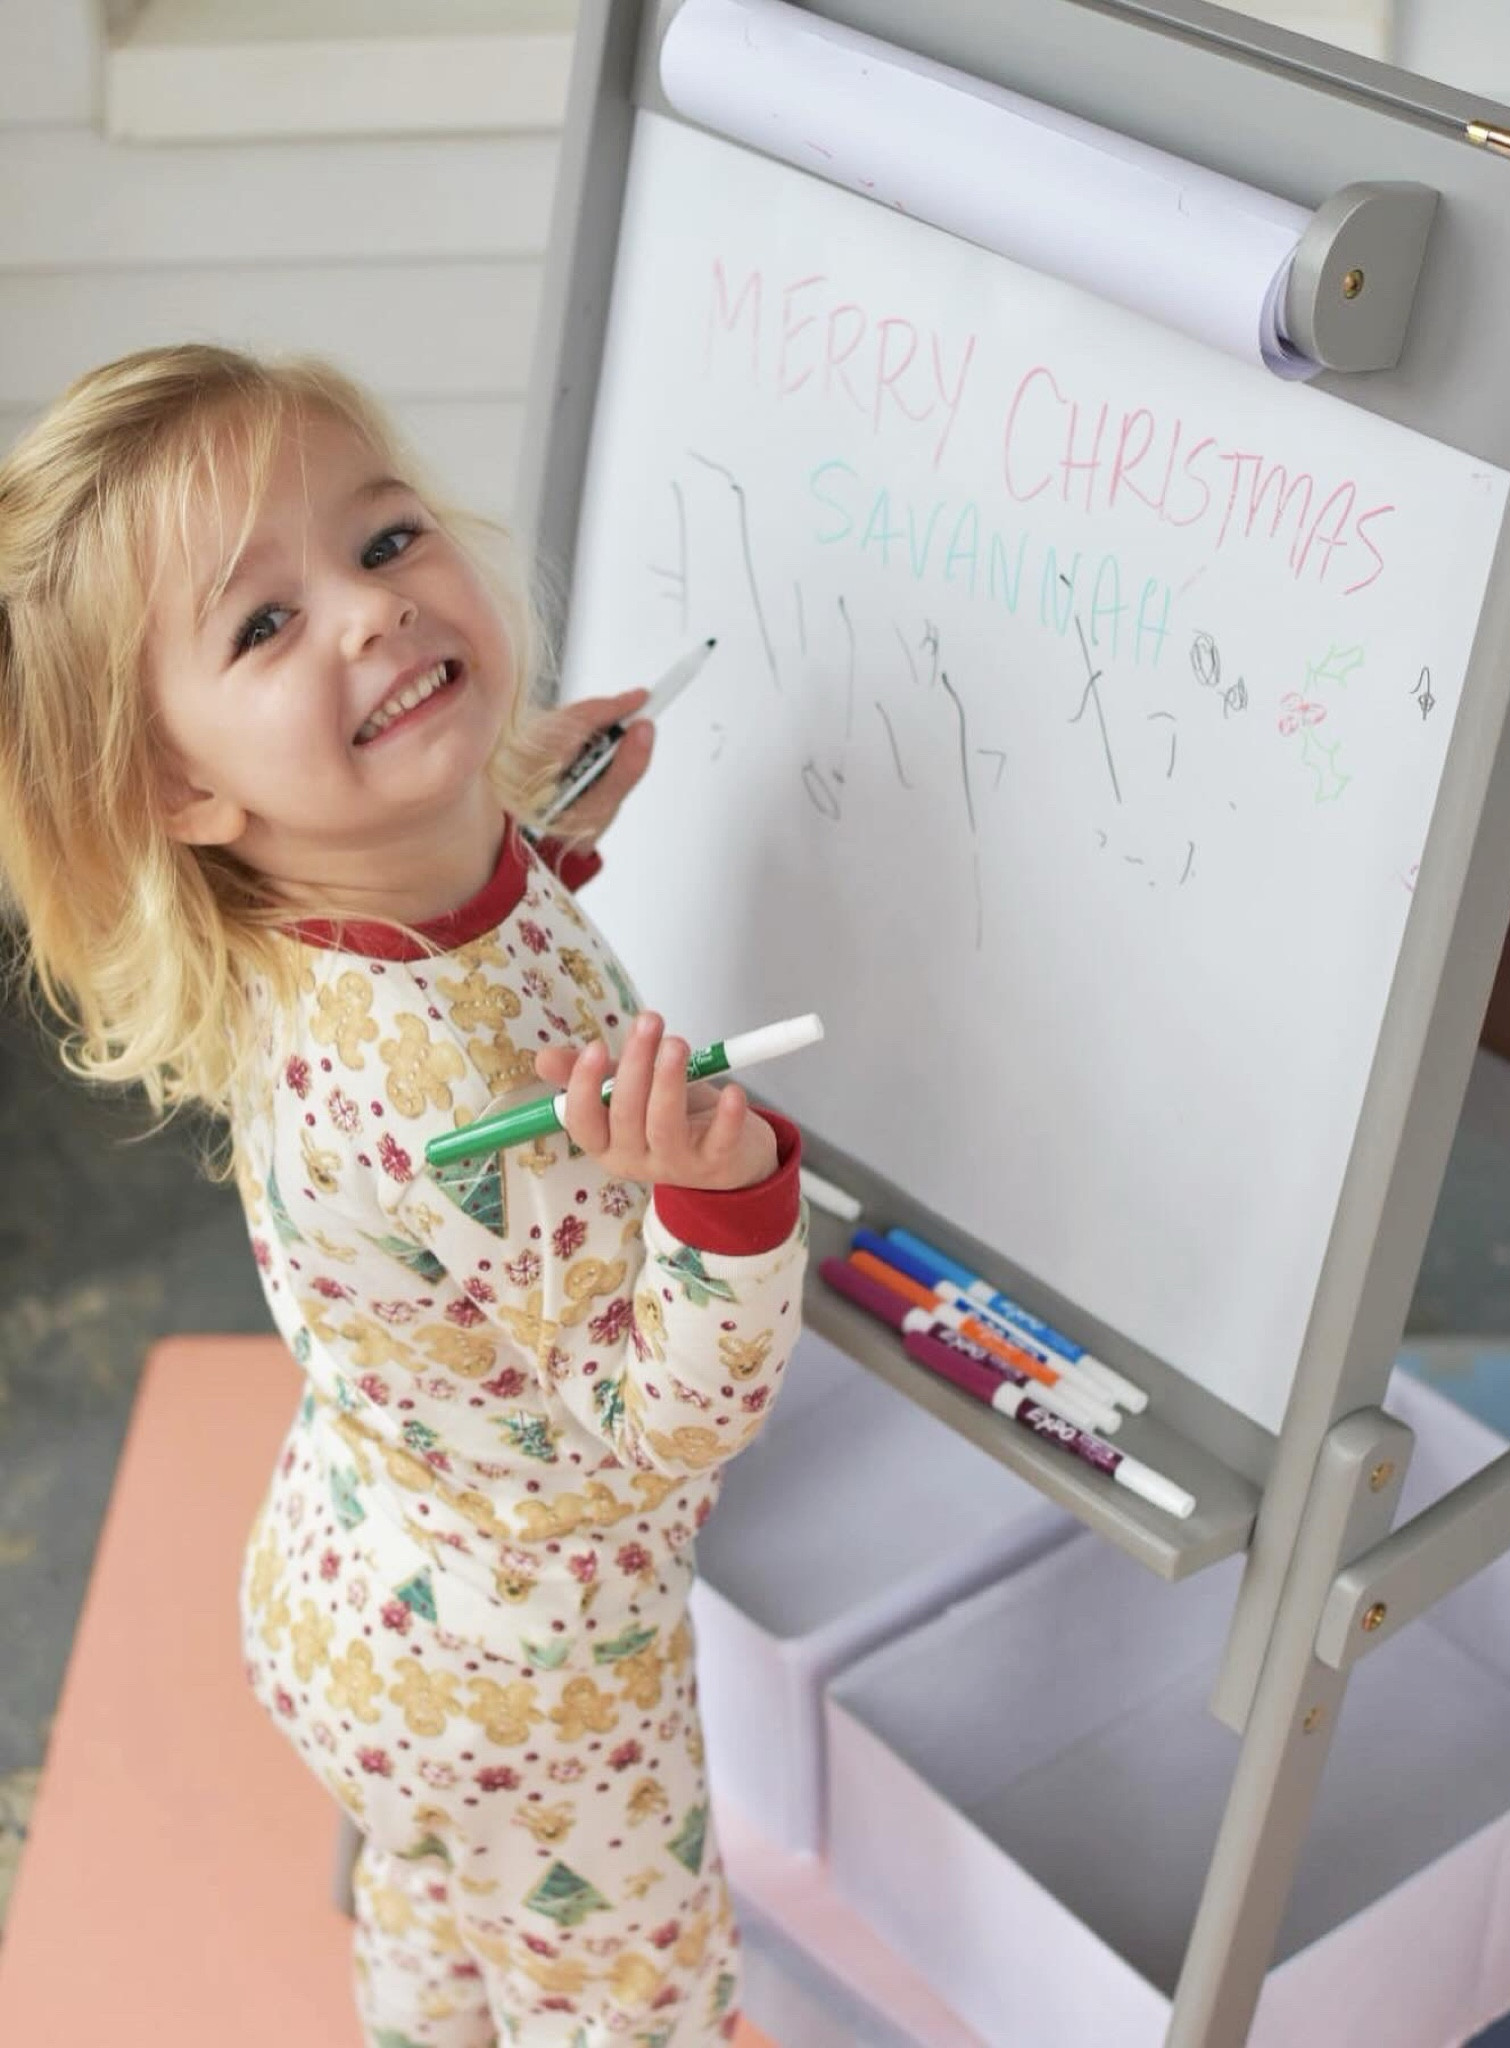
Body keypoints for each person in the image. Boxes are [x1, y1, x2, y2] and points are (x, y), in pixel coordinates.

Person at [0, 344, 807, 2046]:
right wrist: (722, 1203)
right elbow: (651, 1428)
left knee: (443, 1915)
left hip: (362, 1604)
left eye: (381, 546)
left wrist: (542, 834)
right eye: (262, 625)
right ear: (182, 790)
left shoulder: (330, 901)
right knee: (627, 2004)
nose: (369, 616)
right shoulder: (471, 1097)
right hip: (540, 1671)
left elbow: (460, 974)